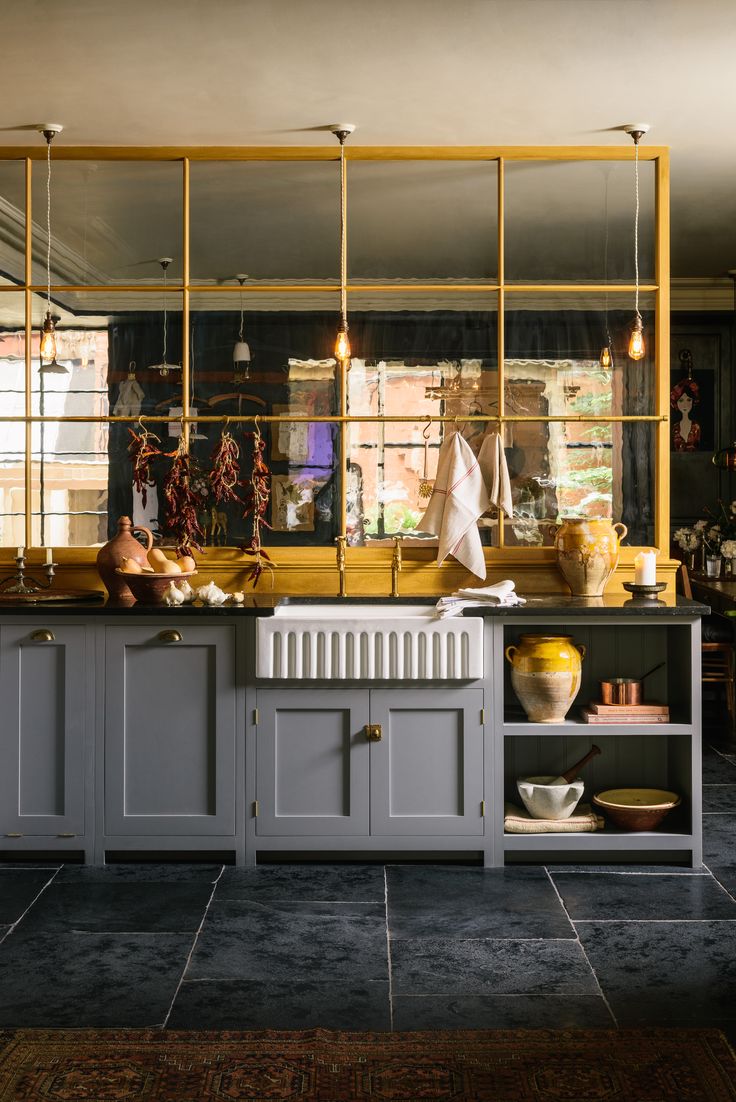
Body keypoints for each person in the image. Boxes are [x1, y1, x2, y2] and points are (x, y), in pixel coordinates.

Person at [671, 377, 701, 452]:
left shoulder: (696, 427)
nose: (685, 404)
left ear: (693, 401)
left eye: (688, 400)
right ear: (676, 403)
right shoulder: (674, 427)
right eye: (681, 400)